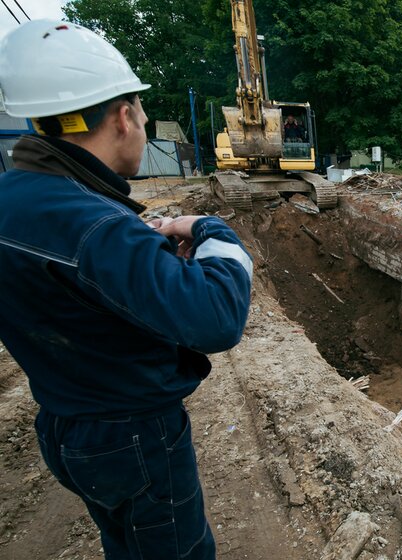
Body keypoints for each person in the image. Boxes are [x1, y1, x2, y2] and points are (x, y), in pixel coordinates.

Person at [0, 21, 253, 560]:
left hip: (65, 424)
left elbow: (73, 294)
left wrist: (146, 264)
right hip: (132, 437)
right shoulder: (99, 228)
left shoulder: (13, 199)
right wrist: (212, 230)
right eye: (141, 111)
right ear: (123, 117)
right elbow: (217, 317)